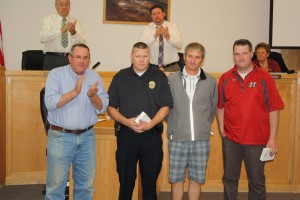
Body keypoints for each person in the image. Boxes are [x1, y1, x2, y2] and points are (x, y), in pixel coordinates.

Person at [216, 39, 284, 200]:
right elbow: (220, 107)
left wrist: (272, 138)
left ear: (251, 54)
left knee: (257, 182)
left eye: (244, 53)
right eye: (237, 54)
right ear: (233, 56)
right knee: (229, 180)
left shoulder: (265, 77)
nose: (240, 57)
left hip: (257, 140)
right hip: (231, 140)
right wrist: (222, 131)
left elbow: (274, 109)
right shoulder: (225, 78)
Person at [107, 42, 173, 200]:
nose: (141, 60)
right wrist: (126, 122)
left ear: (149, 56)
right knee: (126, 183)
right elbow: (110, 107)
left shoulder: (159, 76)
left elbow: (166, 106)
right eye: (138, 56)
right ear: (131, 56)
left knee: (150, 185)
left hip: (151, 137)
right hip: (126, 136)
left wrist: (150, 124)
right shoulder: (120, 76)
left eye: (145, 56)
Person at [44, 43, 109, 200]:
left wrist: (93, 96)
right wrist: (75, 92)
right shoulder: (56, 74)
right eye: (78, 57)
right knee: (56, 188)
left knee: (85, 187)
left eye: (86, 58)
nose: (82, 61)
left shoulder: (94, 77)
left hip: (87, 138)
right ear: (70, 58)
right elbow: (51, 103)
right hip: (61, 137)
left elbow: (102, 108)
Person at [167, 42, 218, 200]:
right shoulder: (171, 80)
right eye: (190, 56)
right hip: (177, 138)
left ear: (202, 59)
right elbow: (165, 108)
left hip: (201, 140)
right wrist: (174, 125)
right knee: (176, 180)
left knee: (196, 180)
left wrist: (202, 126)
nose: (193, 60)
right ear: (184, 57)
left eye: (197, 57)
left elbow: (212, 108)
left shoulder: (210, 81)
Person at [40, 0, 86, 70]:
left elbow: (83, 43)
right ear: (56, 6)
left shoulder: (76, 22)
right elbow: (43, 38)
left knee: (71, 81)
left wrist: (74, 32)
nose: (64, 7)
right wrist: (60, 31)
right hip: (52, 59)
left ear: (70, 7)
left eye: (66, 4)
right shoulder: (49, 20)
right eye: (61, 5)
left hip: (70, 60)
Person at [139, 5, 182, 72]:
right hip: (152, 68)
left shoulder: (173, 27)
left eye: (158, 13)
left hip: (172, 67)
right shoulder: (146, 29)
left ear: (163, 14)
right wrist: (155, 36)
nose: (156, 15)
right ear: (151, 16)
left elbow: (179, 45)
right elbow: (142, 46)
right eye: (154, 14)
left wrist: (168, 36)